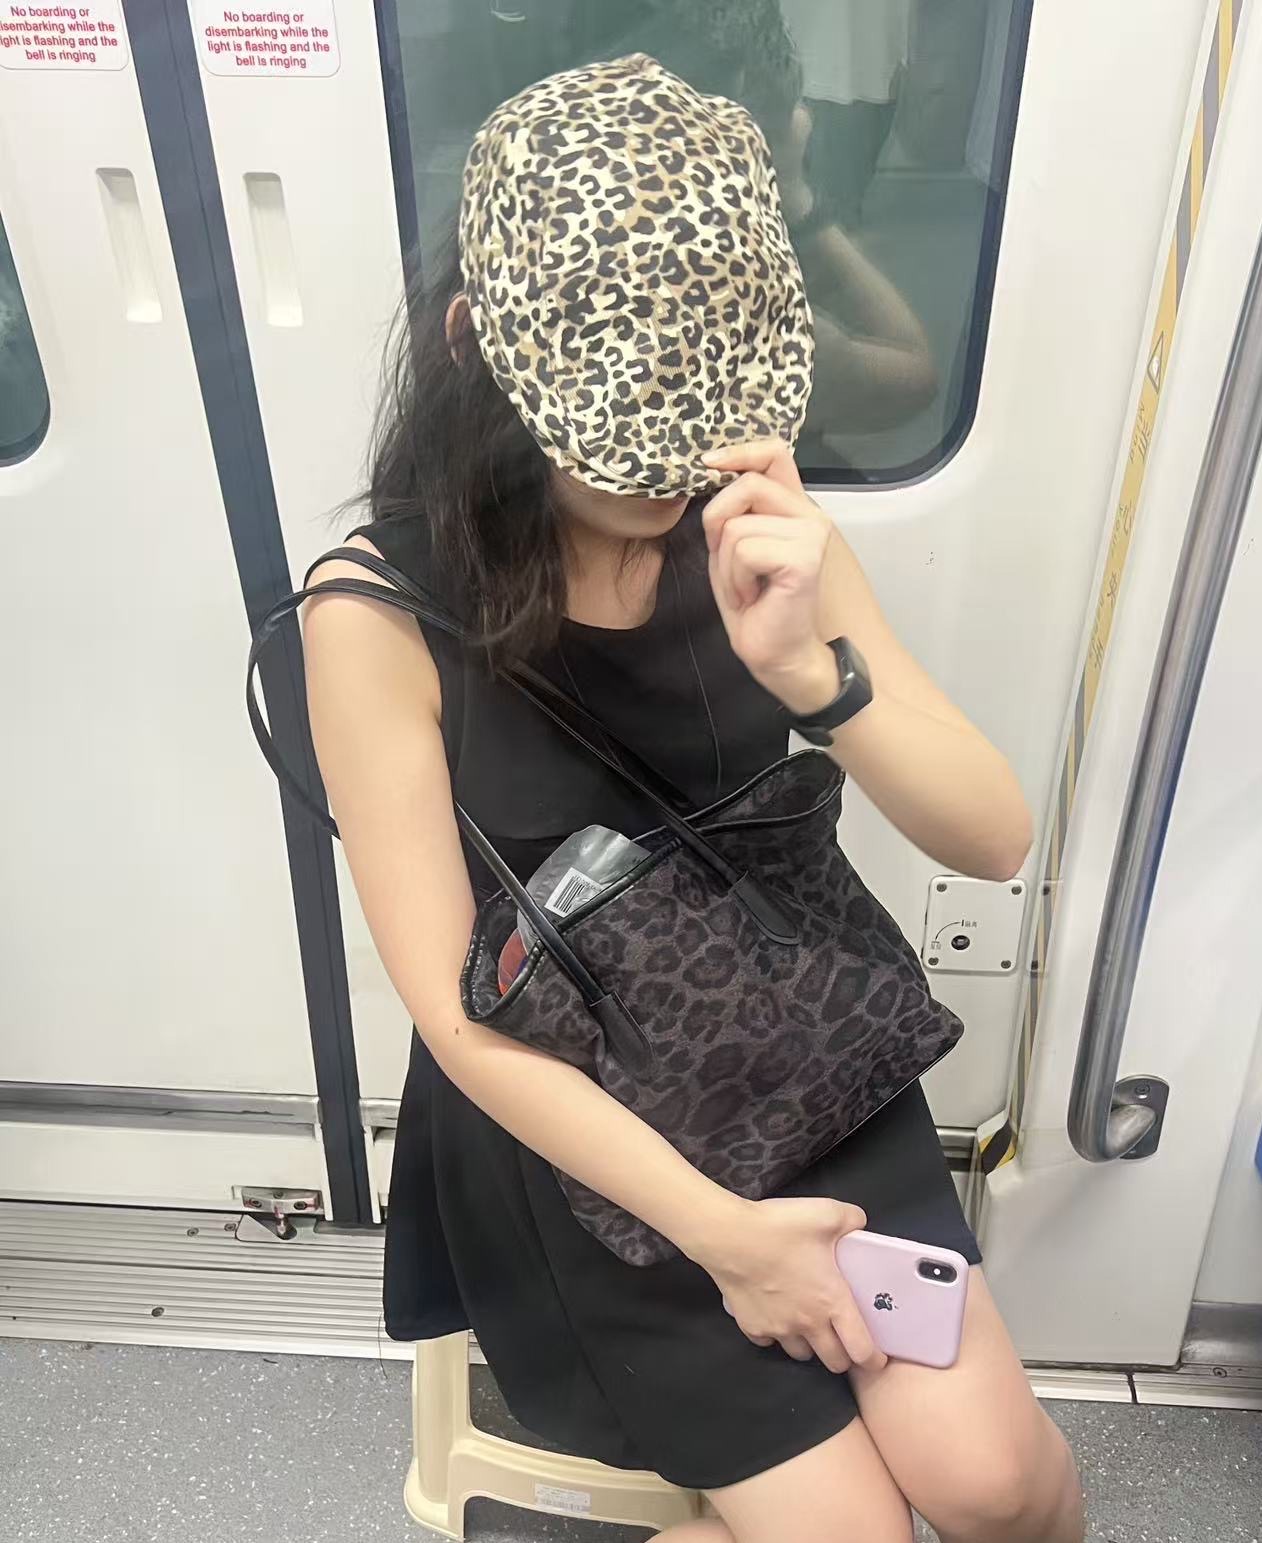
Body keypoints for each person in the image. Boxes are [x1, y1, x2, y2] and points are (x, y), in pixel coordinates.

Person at [303, 55, 1082, 1543]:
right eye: (623, 435)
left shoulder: (750, 517)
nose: (672, 475)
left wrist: (814, 679)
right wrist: (729, 1241)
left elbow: (993, 835)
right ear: (477, 350)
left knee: (996, 1488)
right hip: (587, 1140)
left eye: (700, 408)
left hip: (795, 1052)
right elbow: (458, 1017)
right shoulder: (375, 614)